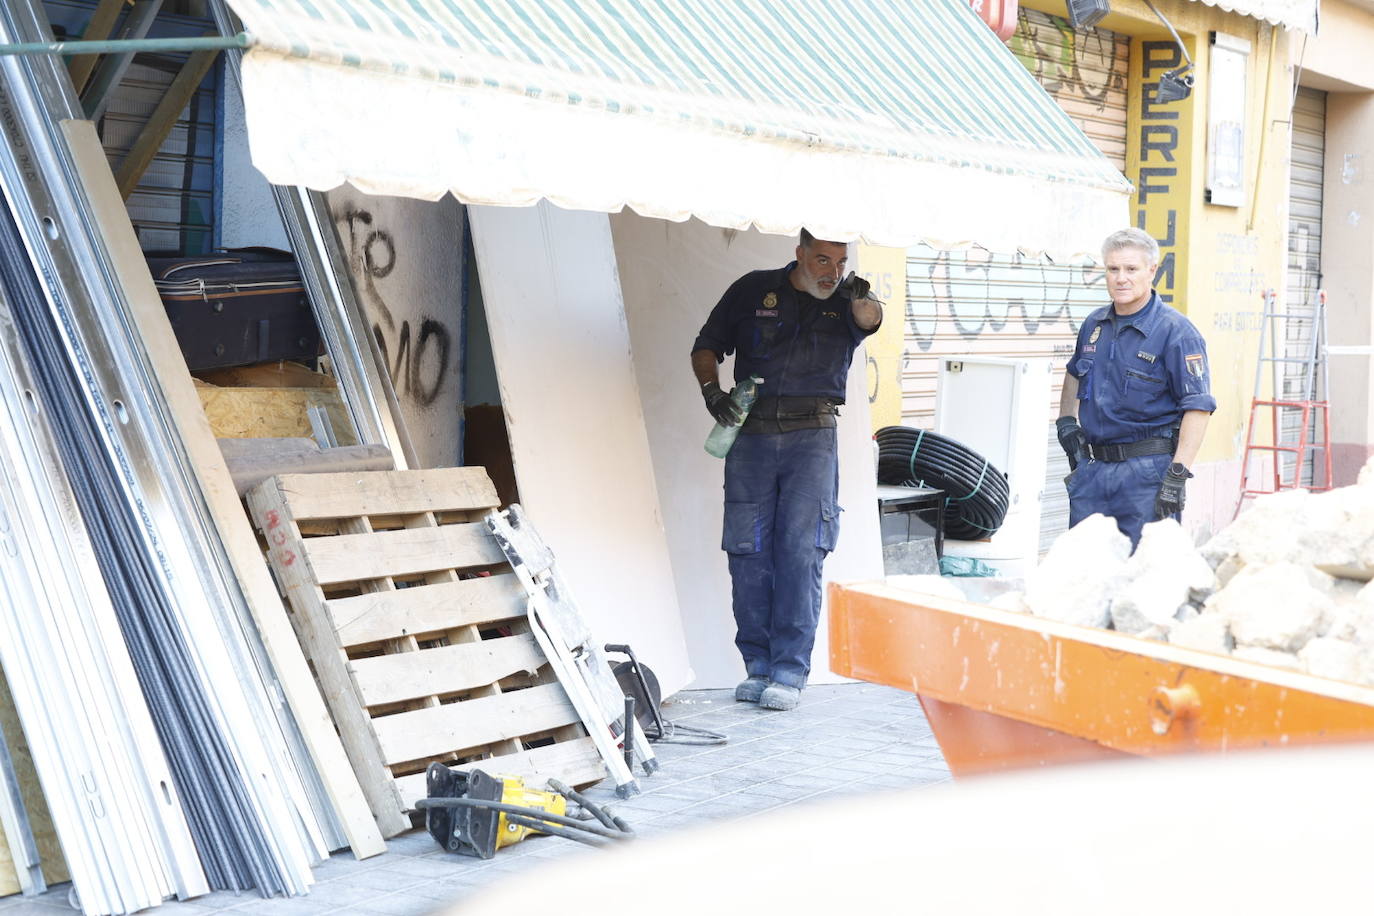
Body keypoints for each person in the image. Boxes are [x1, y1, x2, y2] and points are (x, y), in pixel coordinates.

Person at [690, 229, 882, 711]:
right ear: (798, 255)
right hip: (751, 434)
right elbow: (706, 346)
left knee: (801, 551)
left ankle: (790, 671)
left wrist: (862, 295)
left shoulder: (847, 302)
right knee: (747, 549)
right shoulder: (754, 289)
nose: (830, 271)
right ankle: (756, 664)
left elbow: (870, 318)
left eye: (839, 261)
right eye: (821, 259)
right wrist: (712, 393)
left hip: (811, 437)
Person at [1056, 228, 1216, 547]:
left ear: (1151, 271)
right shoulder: (1094, 325)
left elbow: (1198, 407)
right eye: (1113, 269)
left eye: (1131, 269)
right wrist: (1066, 423)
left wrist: (1177, 474)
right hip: (1093, 470)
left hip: (1146, 477)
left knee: (1142, 573)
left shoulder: (1176, 332)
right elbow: (1075, 371)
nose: (1121, 278)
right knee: (1083, 570)